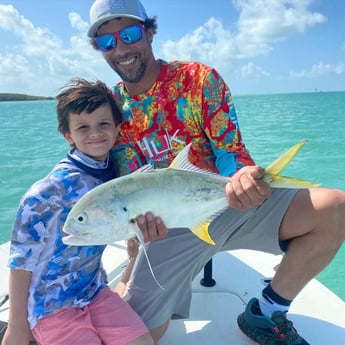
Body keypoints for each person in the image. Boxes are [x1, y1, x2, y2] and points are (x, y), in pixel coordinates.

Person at [87, 1, 345, 344]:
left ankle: (265, 314)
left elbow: (229, 152)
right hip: (170, 230)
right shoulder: (112, 110)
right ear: (100, 50)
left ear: (149, 32)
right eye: (107, 42)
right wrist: (138, 234)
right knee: (136, 338)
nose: (120, 48)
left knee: (334, 209)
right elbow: (132, 184)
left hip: (231, 205)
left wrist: (240, 178)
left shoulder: (198, 80)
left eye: (129, 34)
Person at [1, 78, 155, 345]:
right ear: (68, 136)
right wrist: (17, 327)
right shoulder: (49, 190)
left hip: (94, 291)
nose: (95, 133)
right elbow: (21, 260)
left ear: (118, 128)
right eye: (83, 127)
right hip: (50, 307)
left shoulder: (116, 174)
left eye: (103, 124)